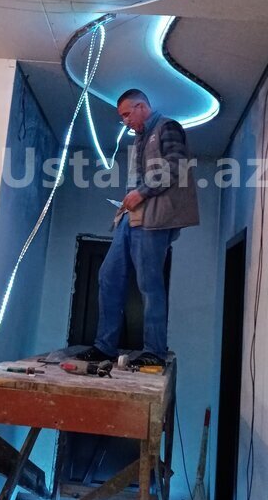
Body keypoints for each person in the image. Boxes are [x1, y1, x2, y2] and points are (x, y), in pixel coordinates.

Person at [76, 89, 199, 367]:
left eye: (127, 114)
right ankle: (105, 346)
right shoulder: (140, 137)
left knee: (149, 283)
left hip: (154, 218)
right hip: (132, 217)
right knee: (109, 276)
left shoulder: (168, 127)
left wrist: (141, 192)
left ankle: (154, 351)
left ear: (142, 106)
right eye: (122, 117)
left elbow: (176, 166)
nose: (125, 122)